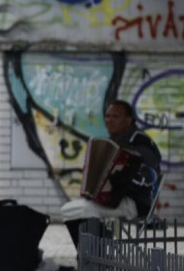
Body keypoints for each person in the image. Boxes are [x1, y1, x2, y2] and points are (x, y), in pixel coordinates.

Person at [61, 99, 162, 249]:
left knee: (86, 209)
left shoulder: (141, 143)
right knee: (69, 209)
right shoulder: (111, 143)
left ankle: (94, 258)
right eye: (107, 116)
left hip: (137, 202)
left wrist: (122, 180)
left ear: (129, 120)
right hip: (115, 199)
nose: (109, 120)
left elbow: (149, 177)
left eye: (115, 116)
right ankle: (93, 256)